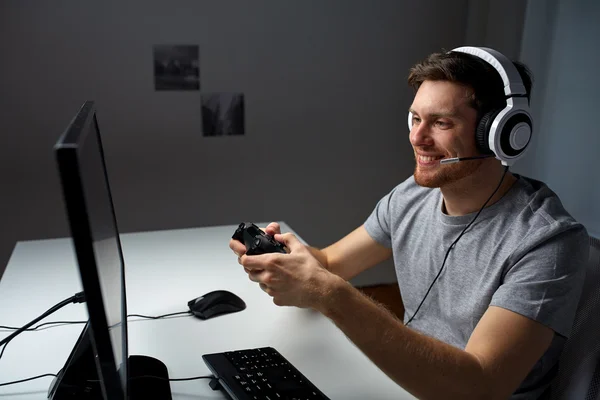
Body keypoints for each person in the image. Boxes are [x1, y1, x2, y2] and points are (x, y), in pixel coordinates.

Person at [230, 46, 589, 399]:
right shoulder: (412, 196)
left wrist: (331, 294)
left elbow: (481, 386)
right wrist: (282, 260)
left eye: (441, 122)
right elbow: (329, 265)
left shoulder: (548, 241)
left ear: (501, 133)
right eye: (415, 118)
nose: (416, 138)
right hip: (403, 380)